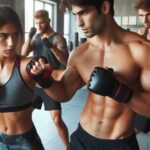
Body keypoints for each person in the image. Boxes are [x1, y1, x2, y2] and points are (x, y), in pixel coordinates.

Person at [41, 0, 150, 149]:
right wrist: (45, 80)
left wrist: (119, 91)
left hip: (119, 143)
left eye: (84, 13)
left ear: (105, 7)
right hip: (82, 139)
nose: (79, 22)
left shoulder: (141, 50)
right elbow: (64, 93)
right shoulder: (80, 53)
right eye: (75, 15)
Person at [0, 5, 56, 150]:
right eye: (3, 36)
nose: (11, 43)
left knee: (57, 118)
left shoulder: (27, 65)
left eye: (16, 35)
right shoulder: (35, 37)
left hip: (24, 142)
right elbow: (25, 49)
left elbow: (62, 75)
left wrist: (45, 77)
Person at [21, 9, 69, 149]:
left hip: (51, 84)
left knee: (57, 119)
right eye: (37, 23)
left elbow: (65, 59)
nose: (39, 26)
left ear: (49, 21)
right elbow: (23, 54)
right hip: (35, 85)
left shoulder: (58, 38)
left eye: (42, 23)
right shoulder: (36, 36)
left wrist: (51, 46)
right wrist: (29, 37)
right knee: (24, 115)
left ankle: (68, 147)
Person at [133, 0, 150, 134]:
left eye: (149, 15)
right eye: (141, 15)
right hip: (143, 86)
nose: (145, 19)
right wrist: (141, 39)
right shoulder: (142, 32)